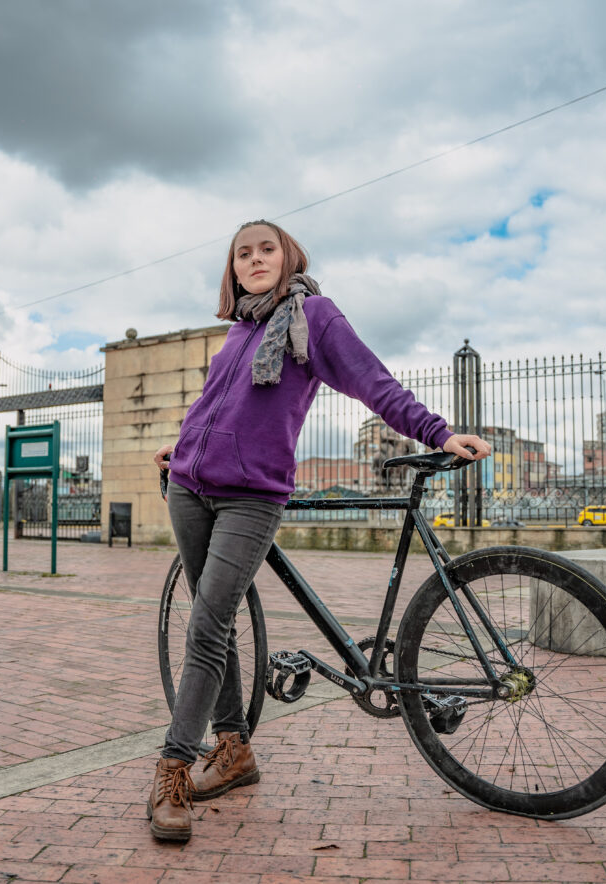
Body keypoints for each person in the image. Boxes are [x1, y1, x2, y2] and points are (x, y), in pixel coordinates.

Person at [147, 220, 491, 842]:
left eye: (266, 249)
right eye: (242, 253)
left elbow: (372, 380)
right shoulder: (241, 328)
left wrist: (438, 431)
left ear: (289, 257)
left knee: (205, 624)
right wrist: (183, 448)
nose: (255, 259)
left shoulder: (314, 317)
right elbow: (218, 408)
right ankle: (233, 751)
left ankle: (172, 769)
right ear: (232, 268)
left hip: (251, 497)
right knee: (215, 620)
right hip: (189, 488)